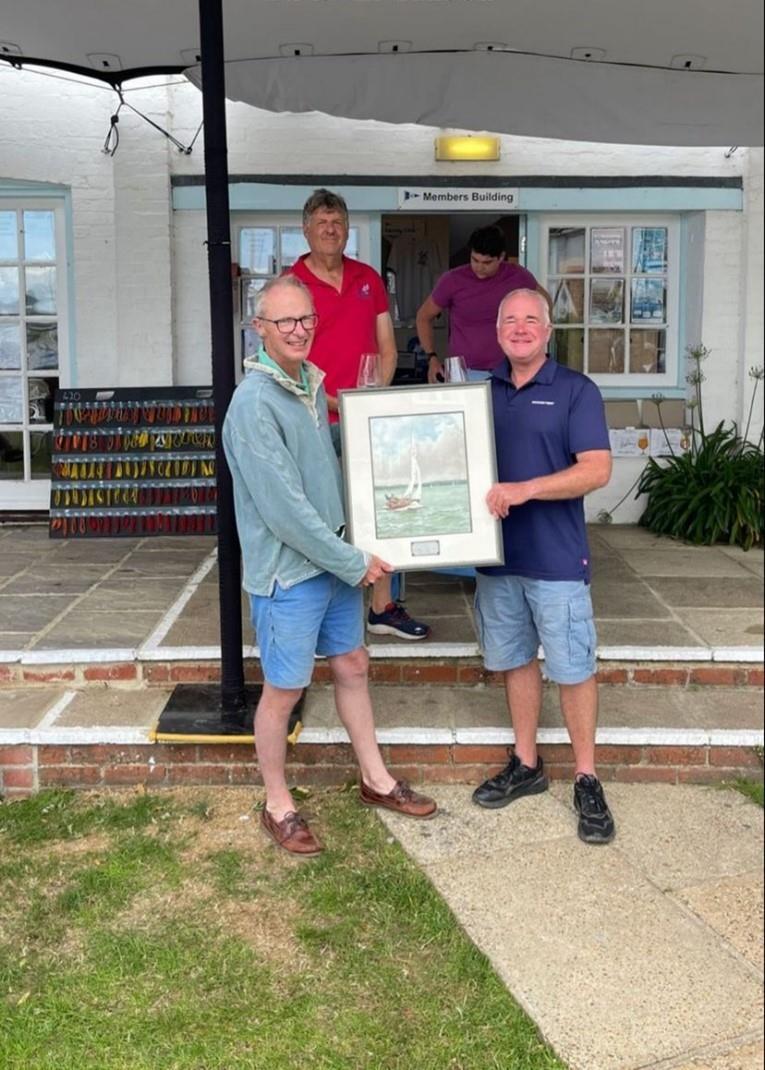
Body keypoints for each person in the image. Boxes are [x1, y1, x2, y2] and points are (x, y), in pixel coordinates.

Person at [222, 276, 437, 856]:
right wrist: (353, 561)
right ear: (259, 329)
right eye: (284, 322)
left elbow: (331, 468)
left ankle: (376, 779)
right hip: (289, 573)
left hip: (335, 562)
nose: (297, 331)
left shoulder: (312, 386)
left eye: (305, 319)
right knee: (284, 690)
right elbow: (285, 512)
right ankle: (278, 804)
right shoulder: (253, 405)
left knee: (352, 664)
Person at [472, 288, 615, 844]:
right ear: (499, 330)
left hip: (556, 559)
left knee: (573, 667)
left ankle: (586, 777)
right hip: (497, 558)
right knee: (515, 662)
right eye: (511, 320)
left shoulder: (577, 391)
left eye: (532, 319)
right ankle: (526, 764)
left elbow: (597, 470)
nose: (521, 327)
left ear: (549, 329)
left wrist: (527, 488)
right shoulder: (481, 391)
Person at [288, 188, 430, 641]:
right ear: (306, 230)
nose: (331, 230)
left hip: (366, 417)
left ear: (347, 230)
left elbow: (386, 347)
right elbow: (290, 358)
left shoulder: (368, 277)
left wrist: (371, 397)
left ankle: (382, 607)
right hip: (314, 419)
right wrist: (334, 402)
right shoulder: (292, 286)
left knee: (378, 511)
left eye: (338, 223)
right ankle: (319, 613)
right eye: (322, 223)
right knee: (319, 516)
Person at [415, 225, 549, 383]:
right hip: (463, 373)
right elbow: (423, 317)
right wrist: (432, 358)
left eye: (487, 263)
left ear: (501, 257)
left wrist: (535, 345)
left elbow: (545, 303)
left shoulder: (517, 276)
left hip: (510, 370)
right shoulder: (452, 280)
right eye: (475, 260)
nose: (479, 267)